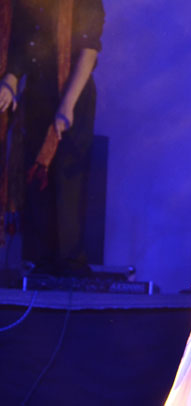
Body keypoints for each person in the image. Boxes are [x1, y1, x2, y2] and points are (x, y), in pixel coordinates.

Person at [0, 0, 105, 274]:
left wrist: (66, 106)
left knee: (68, 179)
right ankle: (41, 263)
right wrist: (10, 81)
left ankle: (70, 264)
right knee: (37, 178)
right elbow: (22, 46)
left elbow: (88, 52)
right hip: (38, 96)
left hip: (73, 94)